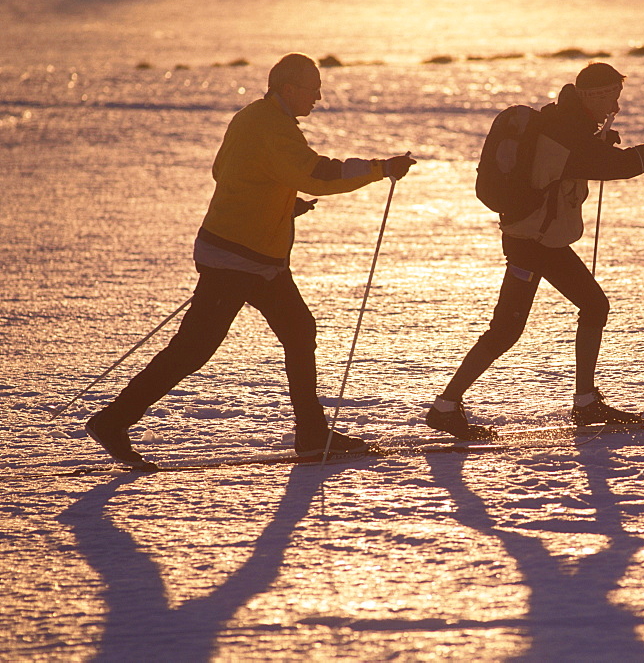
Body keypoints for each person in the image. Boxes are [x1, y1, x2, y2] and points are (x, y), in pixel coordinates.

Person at [87, 53, 415, 466]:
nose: (319, 96)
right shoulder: (273, 128)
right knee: (193, 349)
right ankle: (113, 421)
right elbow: (317, 173)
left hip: (256, 259)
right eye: (313, 88)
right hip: (235, 257)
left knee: (298, 330)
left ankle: (311, 433)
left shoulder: (250, 117)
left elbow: (225, 170)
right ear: (289, 89)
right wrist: (380, 167)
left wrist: (278, 202)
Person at [426, 62, 644, 441]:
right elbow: (624, 166)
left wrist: (595, 147)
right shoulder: (567, 134)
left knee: (587, 307)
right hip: (532, 243)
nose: (616, 107)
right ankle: (448, 406)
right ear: (591, 97)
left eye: (617, 97)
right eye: (611, 97)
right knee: (508, 329)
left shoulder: (566, 123)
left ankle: (583, 401)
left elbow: (574, 159)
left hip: (540, 240)